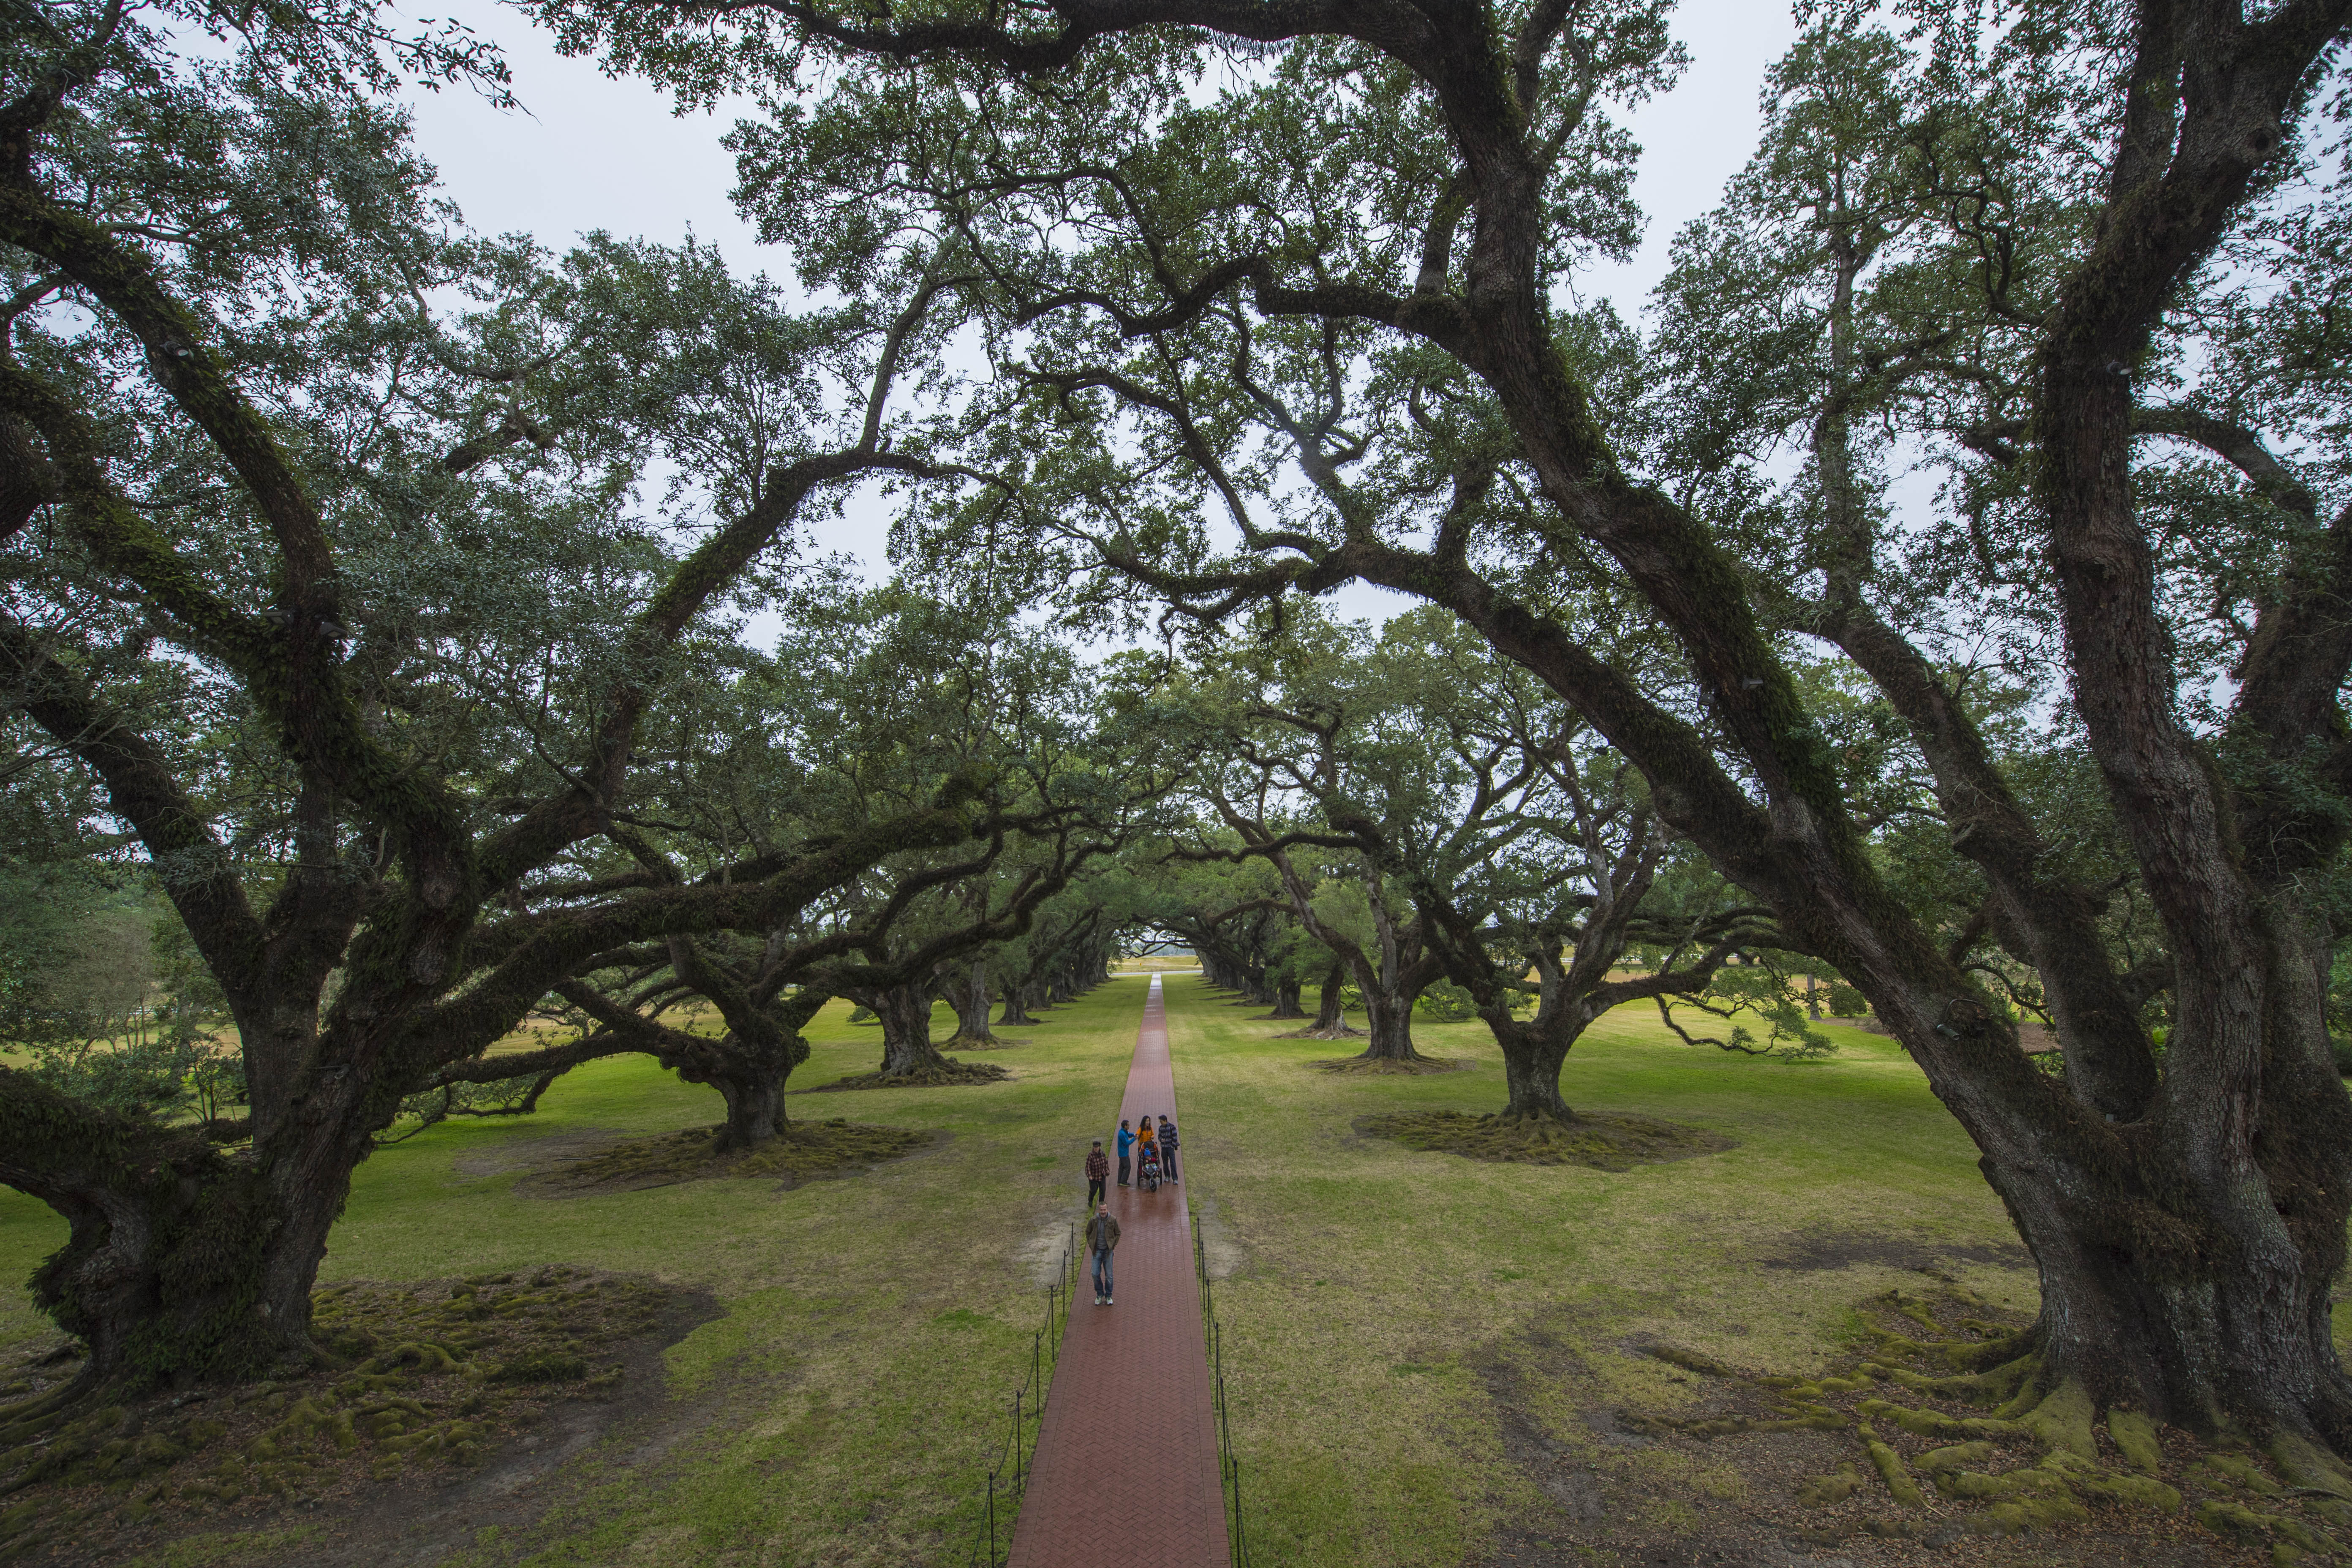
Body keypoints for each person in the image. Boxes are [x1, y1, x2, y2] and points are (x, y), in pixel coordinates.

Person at [1086, 1203, 1120, 1305]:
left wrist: (1113, 1246)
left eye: (1104, 1210)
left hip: (1108, 1252)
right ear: (1099, 1210)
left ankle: (1109, 1295)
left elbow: (1118, 1233)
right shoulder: (1094, 1220)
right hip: (1097, 1251)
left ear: (1107, 1209)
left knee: (1109, 1275)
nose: (1103, 1212)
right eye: (1101, 1210)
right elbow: (1088, 1232)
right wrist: (1091, 1244)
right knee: (1095, 1274)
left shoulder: (1113, 1220)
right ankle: (1100, 1293)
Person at [1083, 1140, 1109, 1207]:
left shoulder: (1103, 1154)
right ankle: (1090, 1200)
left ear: (1099, 1147)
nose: (1096, 1149)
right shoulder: (1090, 1156)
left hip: (1101, 1174)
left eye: (1097, 1148)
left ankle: (1101, 1203)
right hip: (1094, 1176)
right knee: (1094, 1189)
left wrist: (1107, 1170)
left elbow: (1106, 1163)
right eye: (1094, 1148)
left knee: (1103, 1190)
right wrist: (1089, 1175)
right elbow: (1088, 1167)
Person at [1158, 1115, 1179, 1181]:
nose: (1161, 1123)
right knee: (1165, 1163)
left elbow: (1175, 1138)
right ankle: (1167, 1176)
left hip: (1170, 1148)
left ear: (1165, 1121)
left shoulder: (1172, 1127)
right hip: (1164, 1148)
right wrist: (1161, 1140)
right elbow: (1159, 1136)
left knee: (1173, 1163)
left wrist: (1172, 1146)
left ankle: (1175, 1179)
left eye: (1161, 1122)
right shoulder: (1161, 1128)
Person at [1115, 1119, 1134, 1187]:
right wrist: (1135, 1138)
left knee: (1122, 1167)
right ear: (1125, 1126)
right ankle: (1124, 1181)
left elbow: (1128, 1134)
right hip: (1124, 1154)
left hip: (1121, 1153)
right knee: (1128, 1167)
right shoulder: (1122, 1134)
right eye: (1128, 1125)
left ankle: (1119, 1181)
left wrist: (1133, 1135)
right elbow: (1127, 1143)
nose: (1129, 1126)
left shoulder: (1122, 1131)